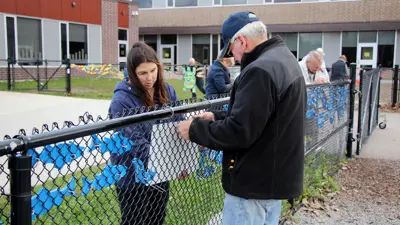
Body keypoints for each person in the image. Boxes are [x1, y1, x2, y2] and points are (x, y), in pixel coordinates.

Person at [177, 11, 306, 225]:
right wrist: (217, 116)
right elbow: (263, 117)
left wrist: (194, 129)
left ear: (242, 41)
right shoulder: (284, 59)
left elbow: (239, 131)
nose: (232, 57)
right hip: (273, 180)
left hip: (253, 185)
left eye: (230, 49)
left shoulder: (260, 70)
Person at [108, 42, 179, 225]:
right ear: (132, 72)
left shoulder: (167, 90)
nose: (150, 78)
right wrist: (169, 163)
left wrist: (179, 162)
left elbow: (179, 125)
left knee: (157, 219)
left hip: (160, 171)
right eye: (143, 73)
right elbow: (136, 144)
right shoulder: (121, 101)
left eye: (153, 71)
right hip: (132, 176)